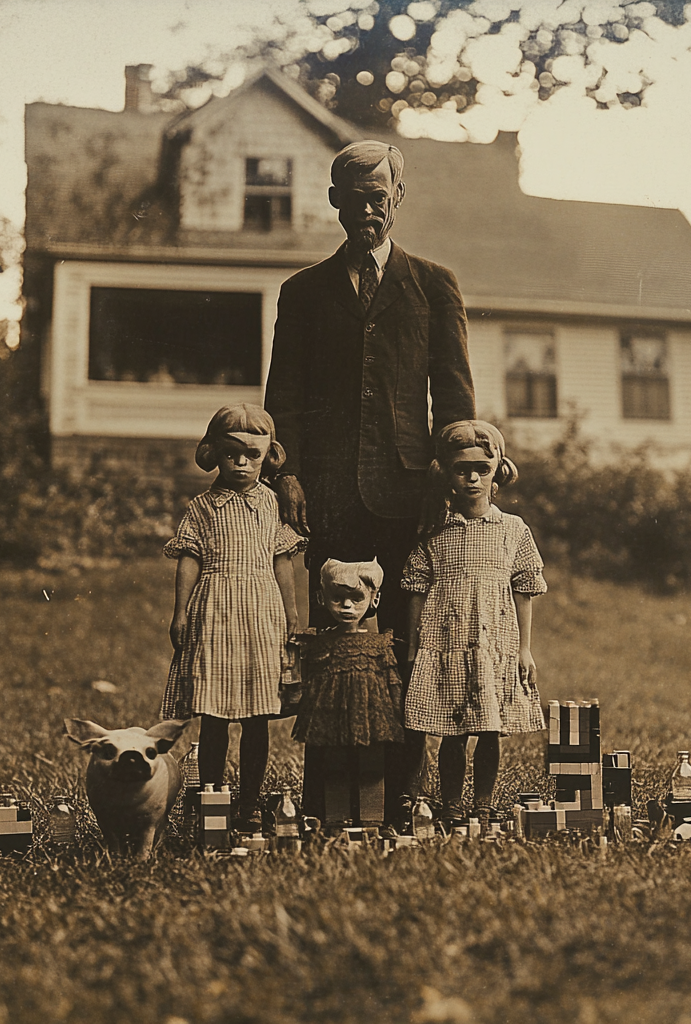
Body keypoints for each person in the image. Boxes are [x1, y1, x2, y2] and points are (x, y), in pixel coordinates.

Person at [264, 139, 476, 820]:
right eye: (353, 199)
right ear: (334, 202)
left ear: (398, 199)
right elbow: (284, 395)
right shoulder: (302, 294)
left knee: (408, 649)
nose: (367, 210)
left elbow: (455, 395)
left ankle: (401, 798)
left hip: (408, 495)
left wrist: (447, 478)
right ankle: (331, 796)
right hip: (326, 492)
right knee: (336, 647)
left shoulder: (434, 285)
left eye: (378, 197)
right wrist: (288, 473)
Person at [160, 404, 305, 832]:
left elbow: (282, 561)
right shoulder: (204, 506)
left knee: (258, 714)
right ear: (214, 454)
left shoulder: (272, 503)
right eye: (231, 455)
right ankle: (211, 794)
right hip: (215, 609)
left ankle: (250, 801)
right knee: (215, 713)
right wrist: (180, 611)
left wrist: (292, 613)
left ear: (268, 456)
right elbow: (189, 559)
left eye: (252, 456)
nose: (241, 464)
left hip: (261, 610)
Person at [402, 420, 547, 832]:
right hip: (447, 641)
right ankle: (450, 805)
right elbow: (415, 589)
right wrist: (413, 648)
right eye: (461, 469)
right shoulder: (434, 531)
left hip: (495, 641)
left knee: (489, 727)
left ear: (497, 471)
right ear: (446, 473)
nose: (471, 478)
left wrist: (524, 648)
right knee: (452, 729)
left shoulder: (513, 529)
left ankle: (481, 804)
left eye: (482, 469)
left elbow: (525, 588)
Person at [291, 559, 405, 833]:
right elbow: (312, 681)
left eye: (356, 599)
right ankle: (337, 820)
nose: (347, 606)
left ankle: (371, 820)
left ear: (374, 601)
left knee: (372, 768)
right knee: (335, 767)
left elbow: (392, 680)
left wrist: (397, 711)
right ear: (322, 599)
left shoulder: (380, 643)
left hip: (373, 718)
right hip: (333, 720)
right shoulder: (320, 642)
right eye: (338, 599)